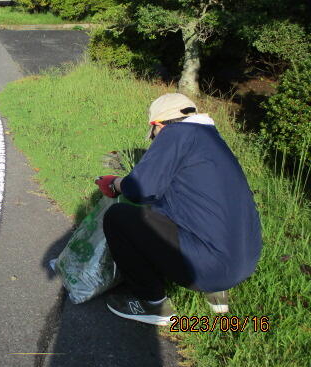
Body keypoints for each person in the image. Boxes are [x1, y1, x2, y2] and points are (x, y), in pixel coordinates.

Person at [95, 93, 262, 326]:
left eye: (153, 134)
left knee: (118, 217)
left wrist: (115, 183)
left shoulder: (174, 133)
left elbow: (140, 189)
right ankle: (217, 295)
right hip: (244, 262)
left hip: (210, 267)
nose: (154, 141)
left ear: (159, 125)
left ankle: (153, 304)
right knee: (181, 213)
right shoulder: (210, 139)